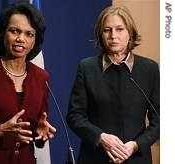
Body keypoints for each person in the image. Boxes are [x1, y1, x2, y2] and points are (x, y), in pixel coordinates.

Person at [66, 5, 160, 164]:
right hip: (95, 158)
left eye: (119, 29)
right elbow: (75, 116)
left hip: (136, 158)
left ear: (130, 33)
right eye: (107, 30)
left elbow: (160, 120)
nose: (113, 36)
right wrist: (101, 138)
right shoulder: (87, 68)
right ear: (100, 35)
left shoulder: (149, 68)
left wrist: (135, 146)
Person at [0, 2, 56, 164]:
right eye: (14, 31)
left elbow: (34, 129)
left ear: (35, 41)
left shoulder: (41, 77)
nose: (21, 39)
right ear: (3, 33)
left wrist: (39, 132)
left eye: (29, 34)